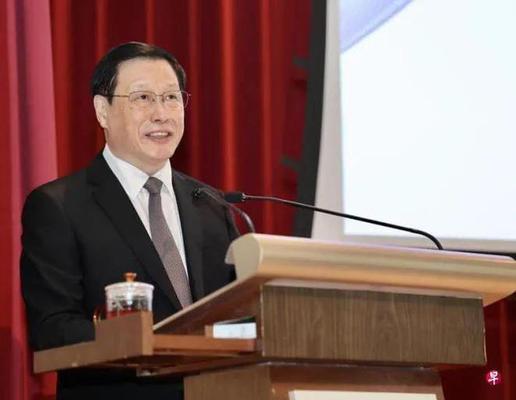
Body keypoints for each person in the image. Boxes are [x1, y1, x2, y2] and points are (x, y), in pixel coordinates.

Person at [20, 42, 238, 399]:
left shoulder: (211, 204)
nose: (161, 113)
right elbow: (52, 329)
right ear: (102, 111)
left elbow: (237, 311)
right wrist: (147, 340)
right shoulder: (59, 206)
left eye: (171, 98)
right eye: (143, 98)